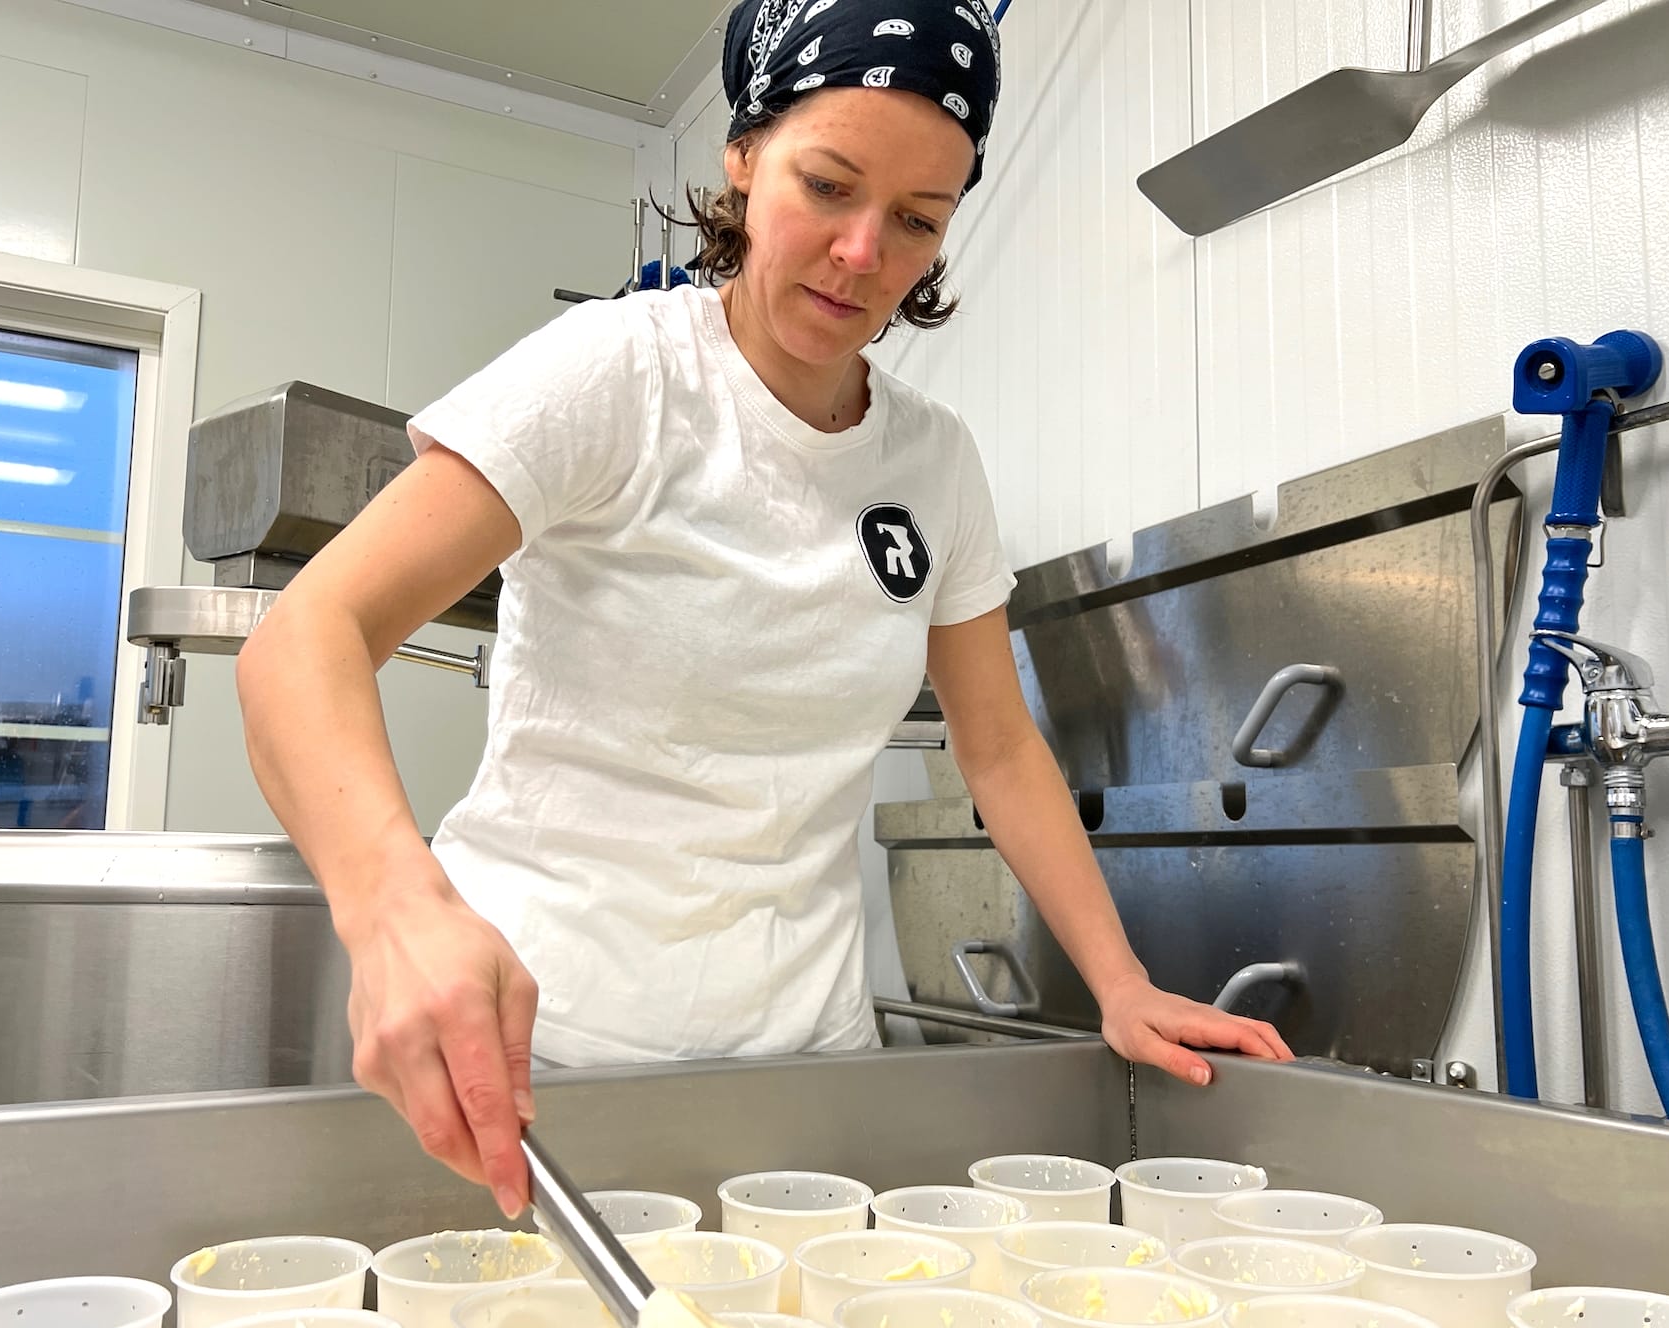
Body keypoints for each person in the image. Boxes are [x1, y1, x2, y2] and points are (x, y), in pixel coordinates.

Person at [237, 0, 1290, 1222]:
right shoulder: (622, 372)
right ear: (743, 156)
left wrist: (1120, 982)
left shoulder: (935, 462)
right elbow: (304, 639)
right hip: (538, 1068)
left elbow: (1000, 747)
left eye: (918, 220)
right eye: (827, 187)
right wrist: (394, 907)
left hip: (807, 1082)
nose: (863, 253)